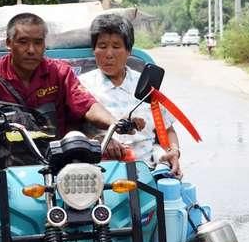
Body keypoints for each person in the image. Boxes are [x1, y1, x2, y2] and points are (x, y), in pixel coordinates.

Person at [0, 12, 131, 171]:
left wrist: (114, 122)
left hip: (52, 165)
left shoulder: (60, 73)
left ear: (44, 45)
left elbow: (87, 105)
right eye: (23, 42)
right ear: (9, 43)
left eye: (38, 43)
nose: (31, 50)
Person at [78, 14, 183, 177]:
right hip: (99, 175)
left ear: (129, 51)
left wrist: (174, 152)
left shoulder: (147, 85)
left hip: (148, 170)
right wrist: (99, 141)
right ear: (94, 50)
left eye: (116, 46)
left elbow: (168, 129)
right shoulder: (81, 86)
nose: (109, 54)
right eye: (102, 46)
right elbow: (71, 131)